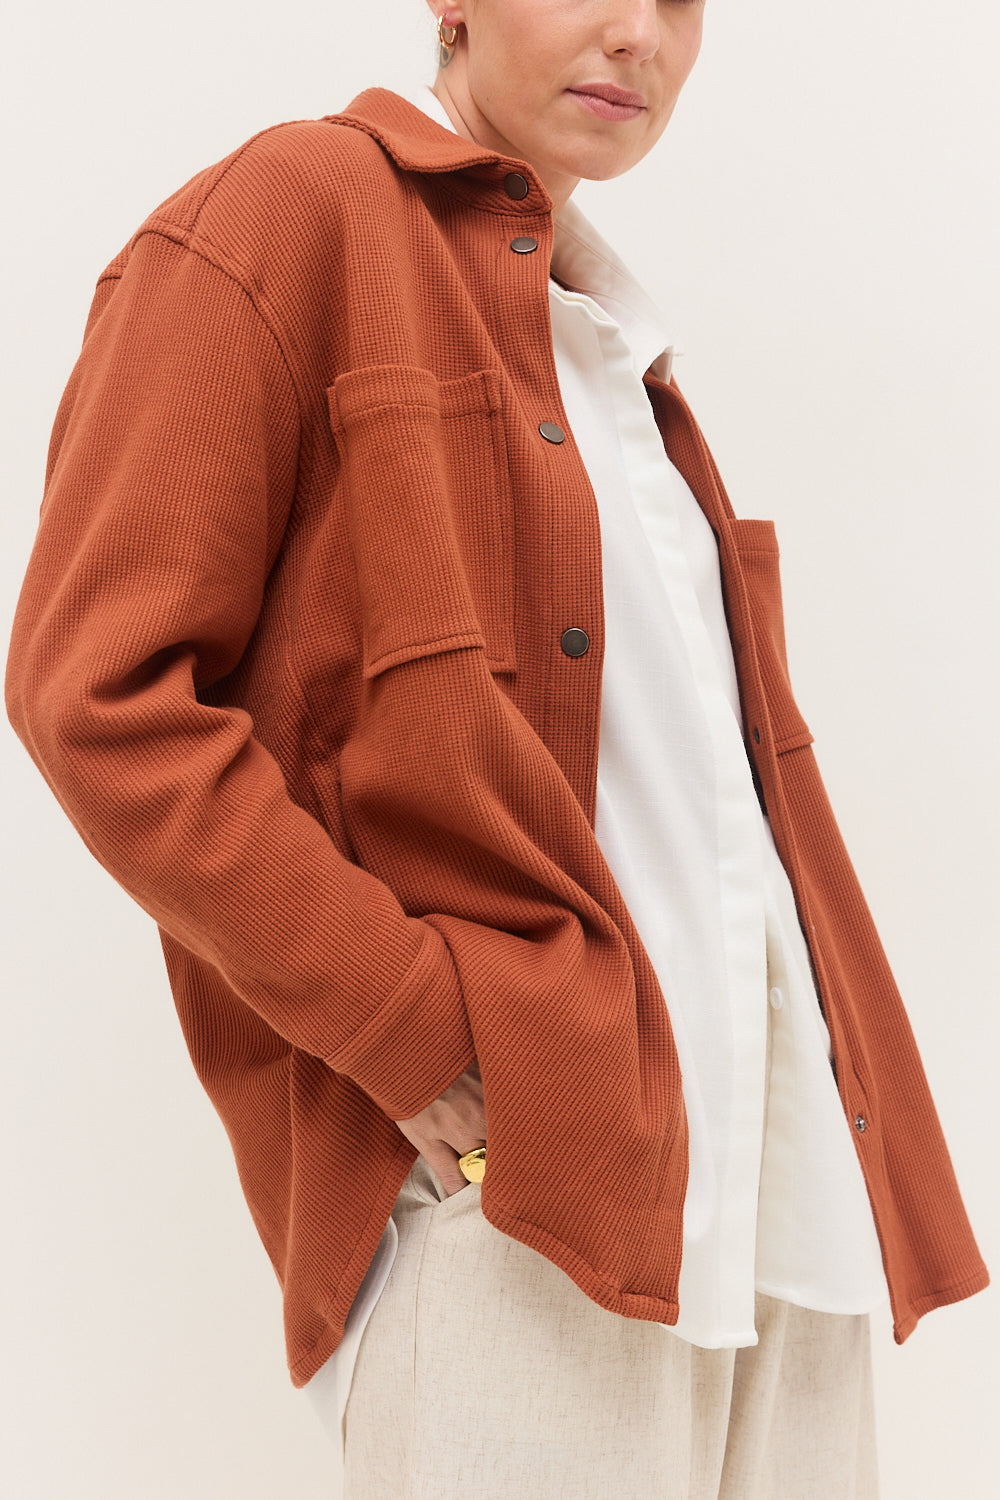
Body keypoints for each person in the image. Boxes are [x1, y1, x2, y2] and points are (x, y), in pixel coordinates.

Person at [5, 2, 988, 1496]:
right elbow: (98, 694)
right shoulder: (290, 213)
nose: (638, 34)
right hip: (530, 1196)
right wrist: (416, 1030)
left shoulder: (609, 341)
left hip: (781, 1209)